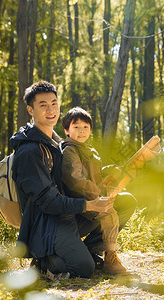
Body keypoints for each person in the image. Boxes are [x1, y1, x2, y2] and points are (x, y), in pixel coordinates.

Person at [10, 81, 135, 278]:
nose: (51, 110)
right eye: (43, 105)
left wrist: (104, 178)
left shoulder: (55, 141)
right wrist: (89, 205)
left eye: (54, 103)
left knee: (124, 201)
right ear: (30, 110)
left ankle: (89, 250)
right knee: (84, 269)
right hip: (46, 223)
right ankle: (45, 261)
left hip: (67, 215)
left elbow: (75, 176)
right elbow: (48, 202)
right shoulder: (30, 151)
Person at [61, 107, 135, 274]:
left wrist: (108, 171)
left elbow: (94, 176)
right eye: (76, 127)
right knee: (107, 210)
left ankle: (92, 248)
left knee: (128, 200)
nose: (81, 131)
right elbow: (76, 182)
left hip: (92, 201)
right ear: (66, 130)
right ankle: (110, 257)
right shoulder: (69, 151)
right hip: (79, 209)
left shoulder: (89, 152)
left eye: (85, 127)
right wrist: (99, 199)